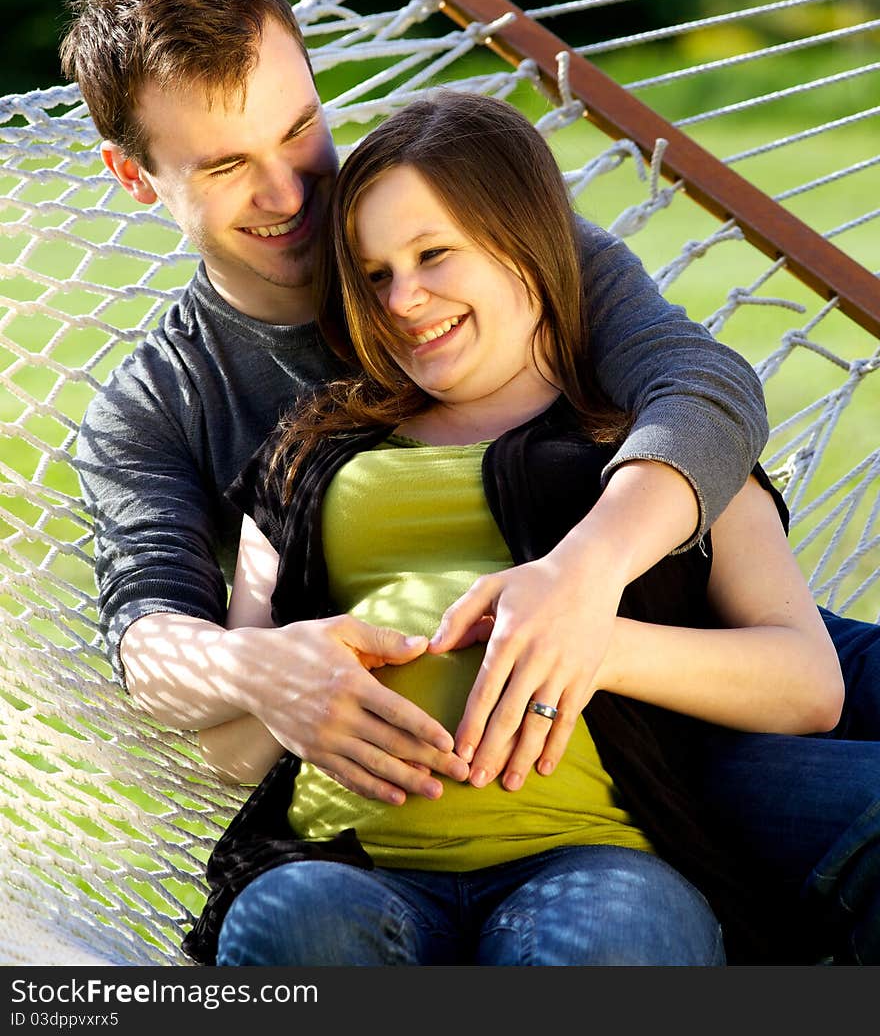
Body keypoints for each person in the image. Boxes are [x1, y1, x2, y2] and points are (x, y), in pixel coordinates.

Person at [57, 0, 879, 964]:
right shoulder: (158, 408)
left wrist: (582, 578)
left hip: (684, 619)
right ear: (134, 177)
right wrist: (264, 669)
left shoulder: (444, 208)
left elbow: (698, 386)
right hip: (538, 744)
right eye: (227, 167)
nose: (291, 191)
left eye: (300, 128)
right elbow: (148, 636)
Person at [183, 89, 845, 967]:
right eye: (375, 274)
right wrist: (294, 687)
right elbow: (229, 750)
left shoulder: (648, 453)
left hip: (595, 860)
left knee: (614, 948)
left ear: (527, 250)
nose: (404, 299)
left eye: (433, 255)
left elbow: (808, 682)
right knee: (287, 928)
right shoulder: (306, 456)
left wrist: (596, 644)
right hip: (346, 864)